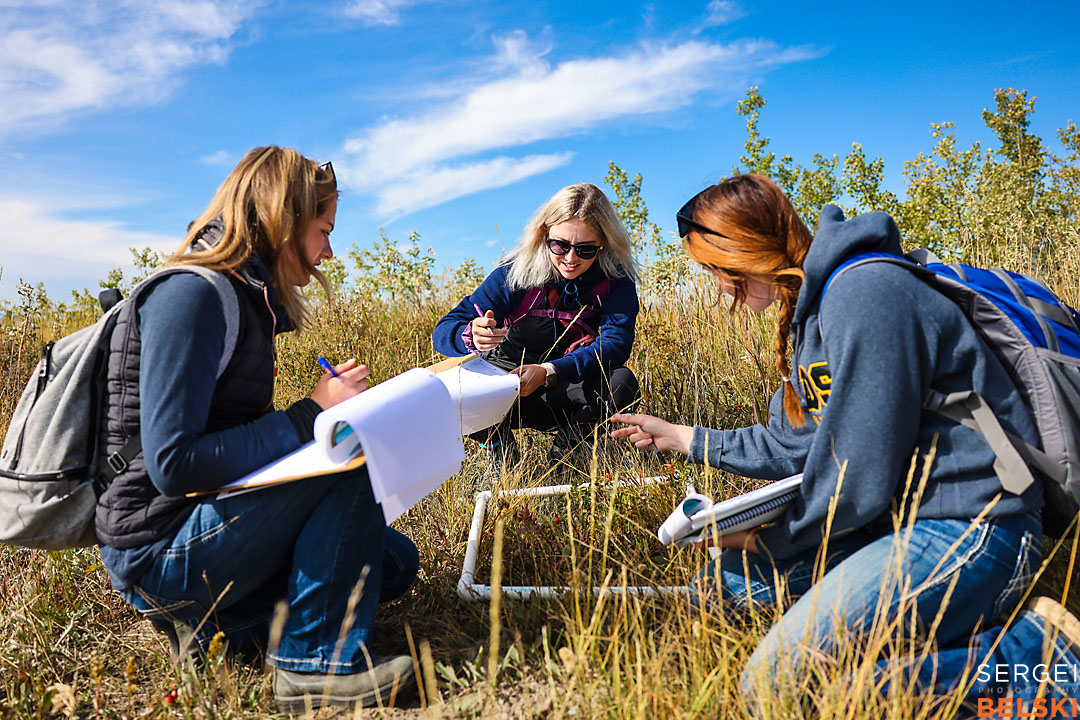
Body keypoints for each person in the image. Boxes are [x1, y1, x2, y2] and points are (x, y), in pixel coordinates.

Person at [611, 174, 1080, 709]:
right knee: (716, 595)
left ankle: (1040, 661)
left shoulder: (867, 293)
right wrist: (683, 437)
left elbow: (859, 478)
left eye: (715, 270)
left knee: (777, 686)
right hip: (893, 523)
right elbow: (796, 446)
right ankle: (942, 631)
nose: (718, 286)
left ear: (742, 253)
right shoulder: (813, 314)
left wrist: (768, 541)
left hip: (973, 527)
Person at [94, 146, 419, 713]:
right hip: (157, 550)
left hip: (204, 515)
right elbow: (174, 465)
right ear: (282, 219)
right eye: (322, 229)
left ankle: (219, 627)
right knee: (349, 462)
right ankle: (309, 667)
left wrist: (320, 414)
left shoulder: (246, 298)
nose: (328, 250)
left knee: (393, 563)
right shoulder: (191, 295)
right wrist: (310, 415)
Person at [432, 183, 640, 479]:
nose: (570, 258)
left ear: (604, 244)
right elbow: (444, 330)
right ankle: (500, 451)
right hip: (505, 390)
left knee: (622, 382)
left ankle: (565, 457)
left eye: (585, 249)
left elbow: (616, 345)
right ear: (544, 234)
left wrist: (549, 370)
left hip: (565, 388)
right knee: (448, 391)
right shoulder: (515, 272)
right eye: (560, 245)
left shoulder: (615, 280)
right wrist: (470, 335)